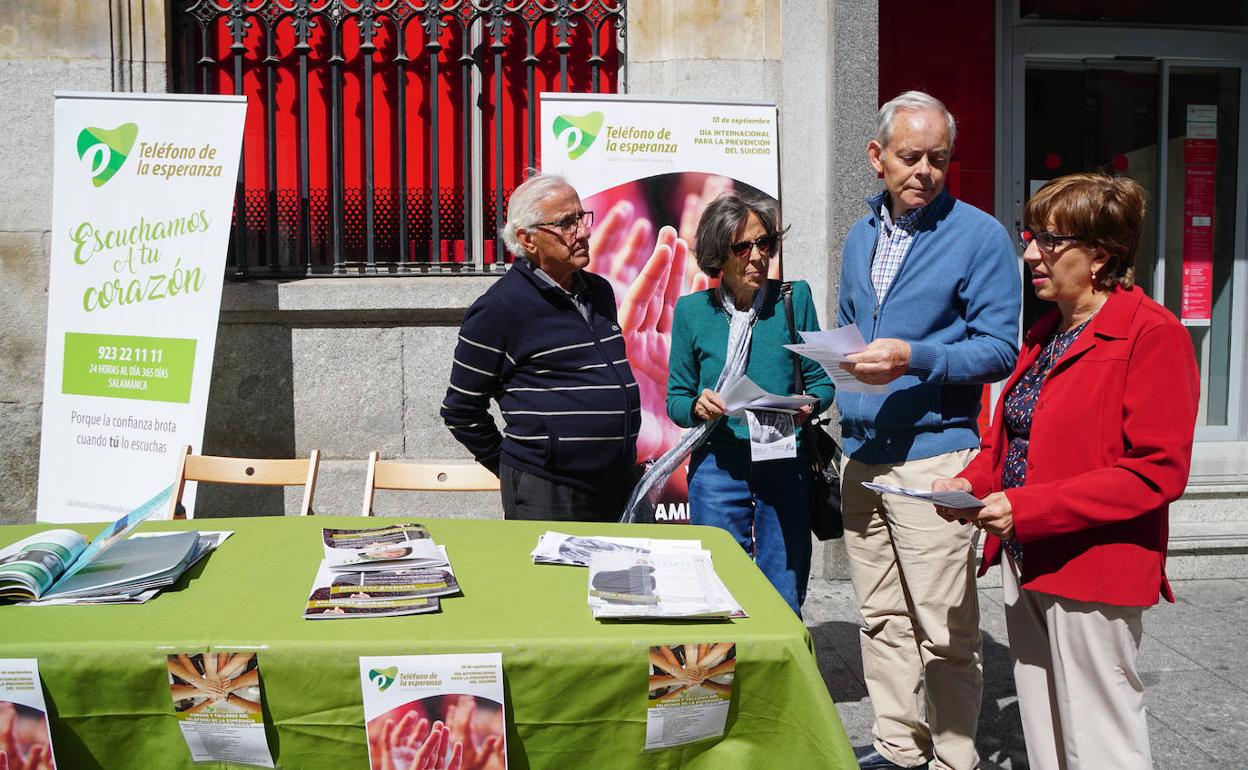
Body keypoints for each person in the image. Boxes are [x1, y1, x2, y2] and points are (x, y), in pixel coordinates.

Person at [932, 173, 1199, 770]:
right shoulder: (1048, 329)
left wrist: (1027, 510)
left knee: (1101, 739)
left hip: (1093, 569)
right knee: (1047, 730)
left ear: (1101, 255)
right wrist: (971, 484)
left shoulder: (1151, 334)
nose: (1030, 252)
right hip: (1027, 558)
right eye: (1031, 235)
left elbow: (1157, 472)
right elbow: (1012, 438)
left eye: (1050, 240)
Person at [836, 90, 1021, 770]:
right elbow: (855, 328)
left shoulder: (979, 237)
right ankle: (897, 746)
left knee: (945, 630)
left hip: (935, 458)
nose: (924, 171)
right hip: (864, 456)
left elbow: (1000, 348)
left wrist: (917, 356)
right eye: (909, 157)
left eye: (938, 159)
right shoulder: (860, 236)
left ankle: (953, 756)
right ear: (876, 157)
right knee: (881, 618)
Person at [665, 192, 834, 615]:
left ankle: (780, 672)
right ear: (718, 253)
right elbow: (676, 399)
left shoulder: (794, 299)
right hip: (719, 465)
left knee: (784, 585)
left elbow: (821, 383)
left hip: (785, 462)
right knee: (718, 585)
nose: (758, 256)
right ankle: (724, 672)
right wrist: (697, 407)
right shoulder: (691, 312)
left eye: (765, 243)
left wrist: (807, 405)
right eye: (743, 247)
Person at [440, 172, 642, 522]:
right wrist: (516, 468)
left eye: (581, 217)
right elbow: (461, 410)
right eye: (566, 223)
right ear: (528, 240)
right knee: (556, 579)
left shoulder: (599, 292)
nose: (583, 231)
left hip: (618, 482)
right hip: (550, 492)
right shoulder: (500, 309)